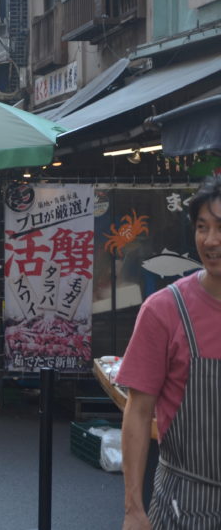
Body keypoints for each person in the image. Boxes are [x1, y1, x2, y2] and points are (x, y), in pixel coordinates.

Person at [118, 176, 221, 529]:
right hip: (184, 504)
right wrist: (133, 508)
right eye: (202, 227)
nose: (210, 240)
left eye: (220, 228)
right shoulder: (164, 309)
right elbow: (137, 410)